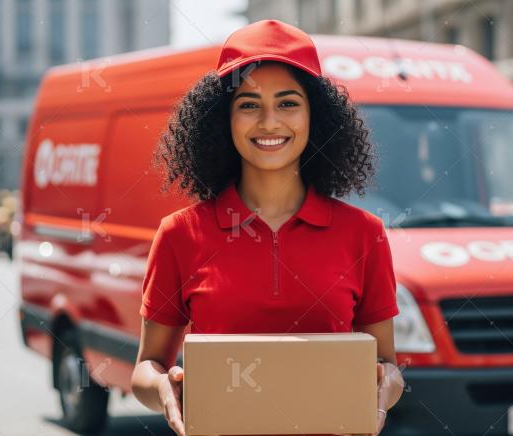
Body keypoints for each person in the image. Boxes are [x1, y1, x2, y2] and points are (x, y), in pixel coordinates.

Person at [130, 20, 404, 436]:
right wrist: (165, 389)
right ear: (224, 119)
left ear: (317, 116)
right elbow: (146, 369)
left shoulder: (364, 234)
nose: (270, 122)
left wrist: (386, 389)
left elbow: (387, 367)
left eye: (288, 102)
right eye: (249, 104)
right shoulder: (179, 234)